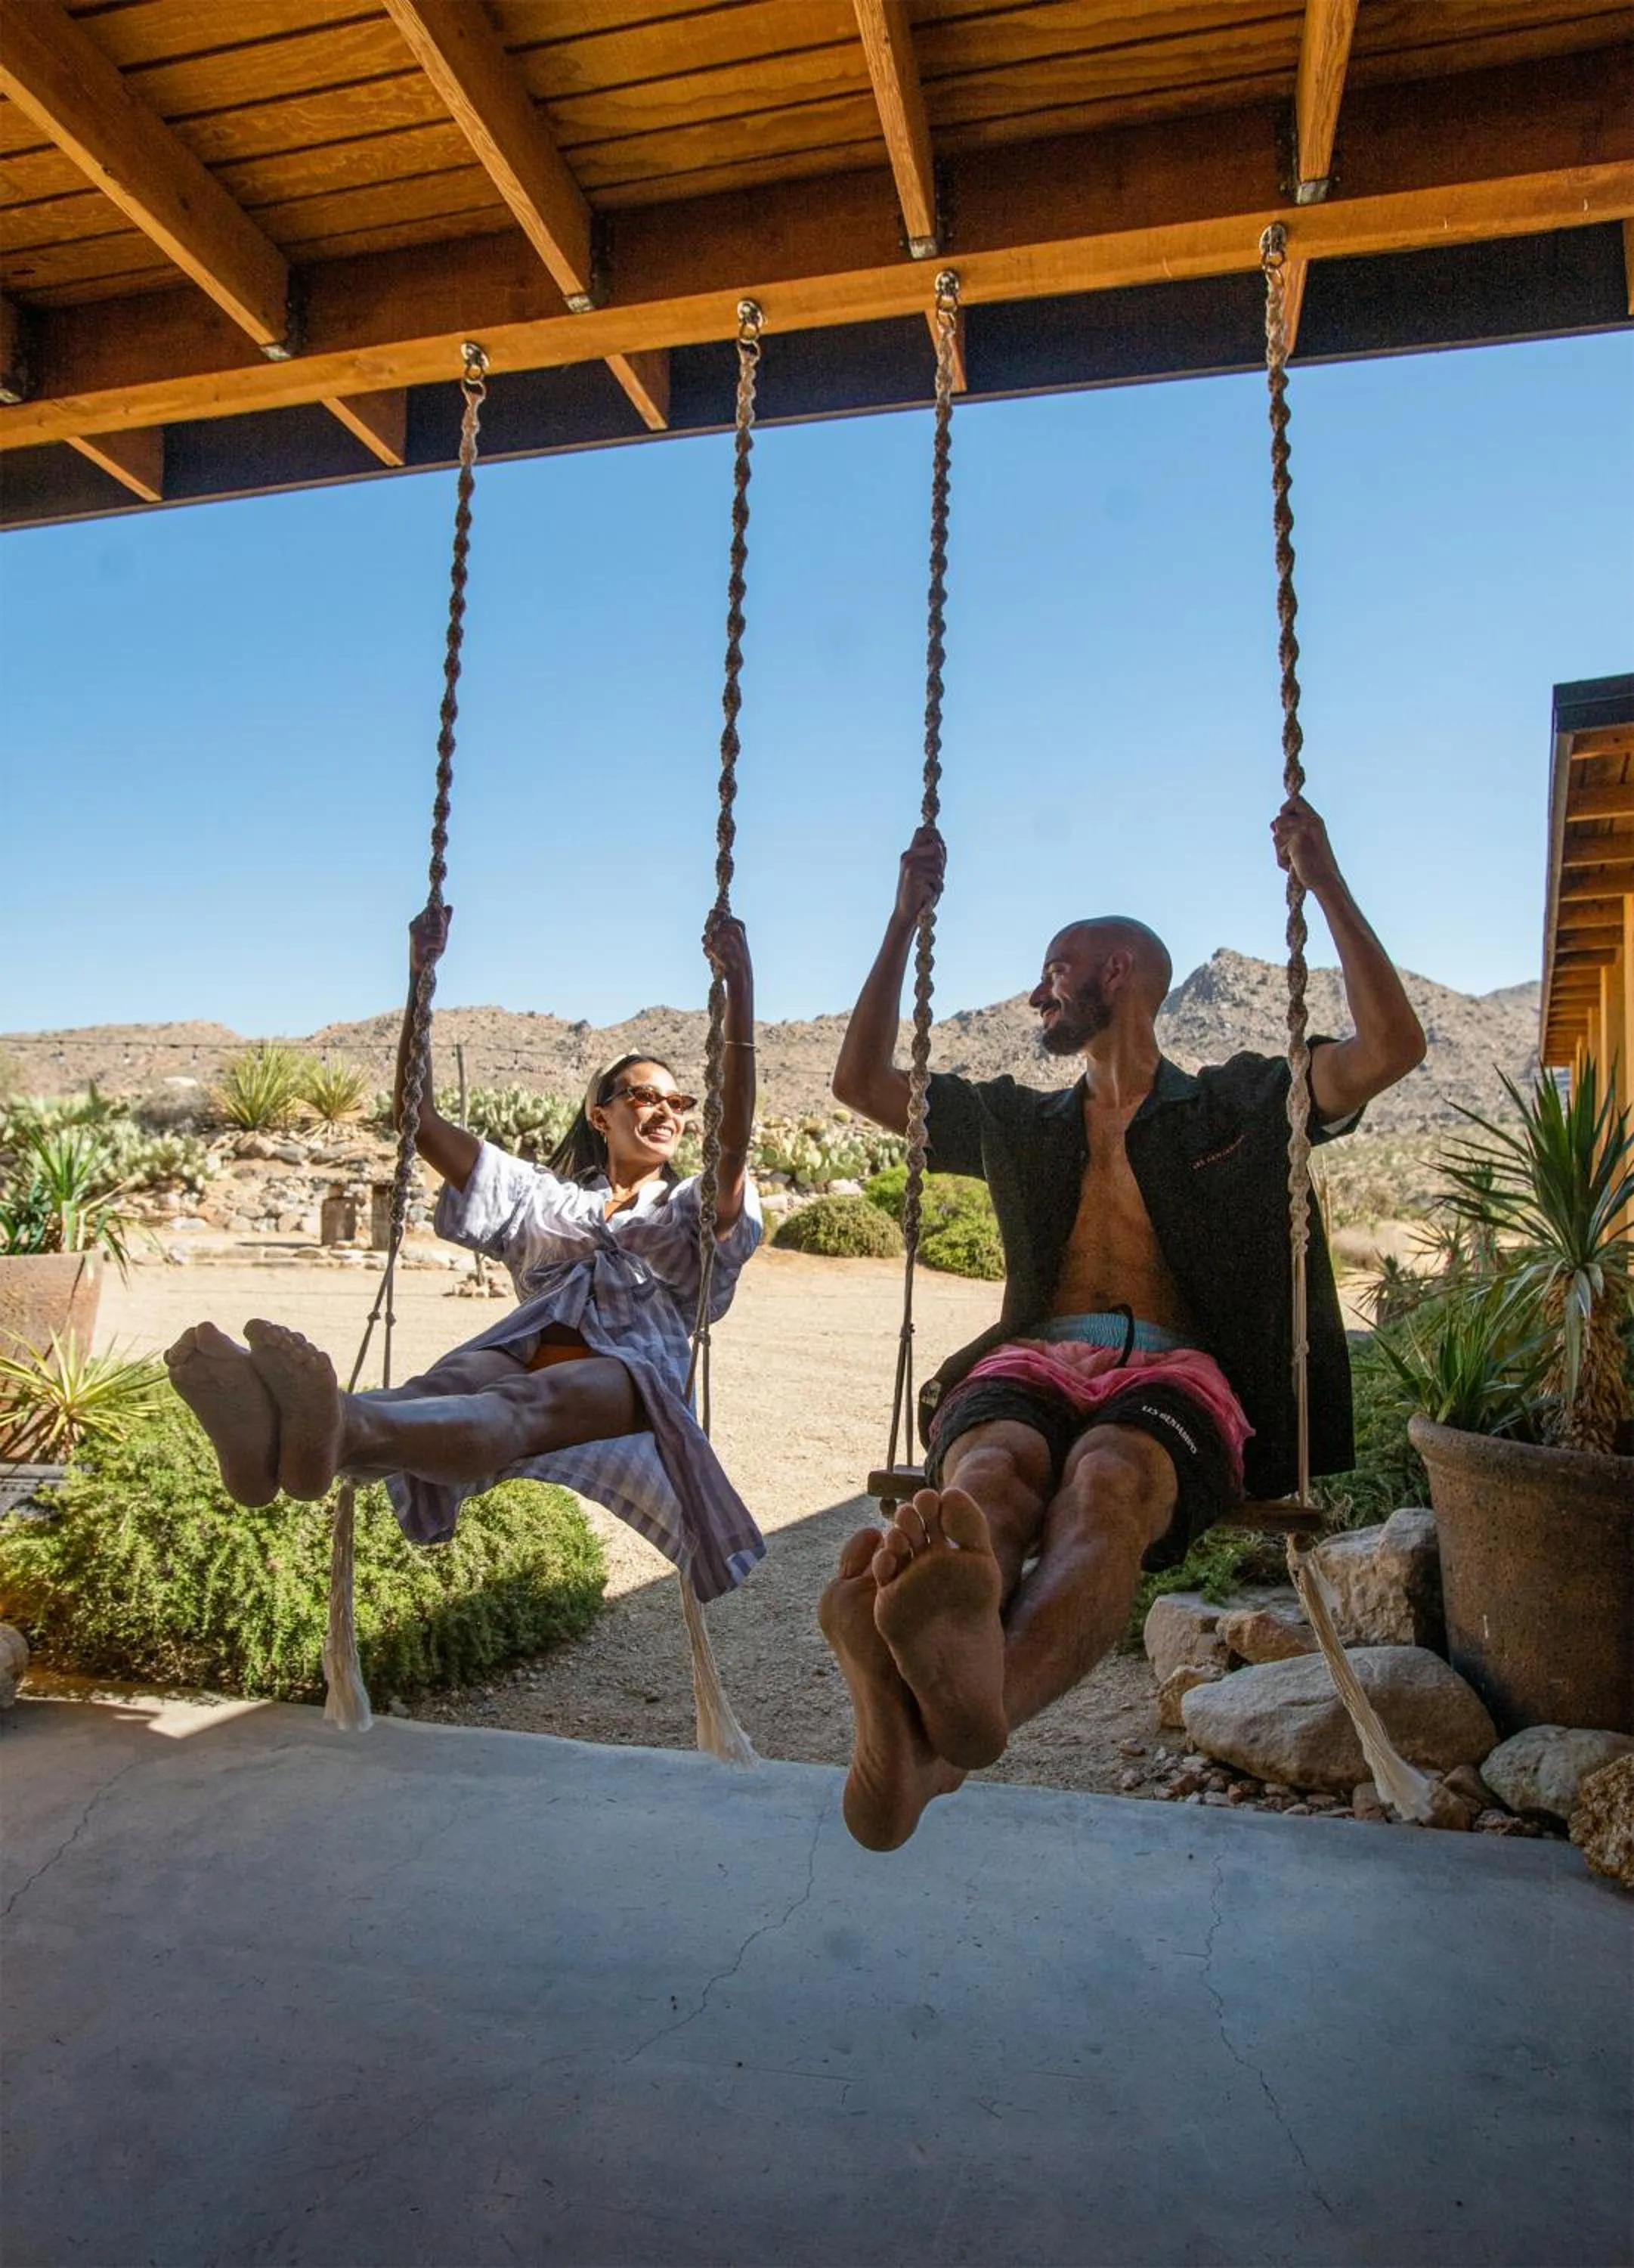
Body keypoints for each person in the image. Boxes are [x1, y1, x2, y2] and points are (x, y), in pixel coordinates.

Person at [821, 795, 1426, 1848]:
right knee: (986, 1475)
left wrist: (1321, 878)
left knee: (1108, 1479)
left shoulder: (1244, 1102)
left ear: (1115, 974)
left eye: (1053, 969)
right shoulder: (1017, 1118)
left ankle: (944, 1726)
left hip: (1176, 1374)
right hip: (1031, 1357)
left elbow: (1388, 1045)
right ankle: (947, 1691)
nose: (1033, 993)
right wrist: (901, 917)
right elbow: (860, 1082)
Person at [166, 905, 765, 1603]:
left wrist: (739, 986)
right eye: (643, 1095)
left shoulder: (685, 1206)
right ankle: (272, 1440)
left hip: (631, 1374)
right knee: (439, 1388)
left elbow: (732, 1142)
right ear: (601, 1116)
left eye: (679, 1100)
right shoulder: (543, 1199)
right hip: (520, 1344)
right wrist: (421, 979)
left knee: (520, 1404)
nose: (666, 1111)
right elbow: (416, 1120)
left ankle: (329, 1424)